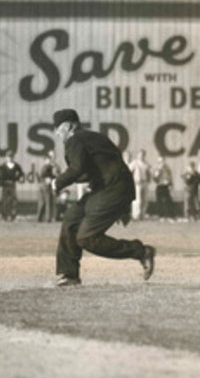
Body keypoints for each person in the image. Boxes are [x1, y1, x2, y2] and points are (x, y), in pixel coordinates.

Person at [51, 109, 156, 286]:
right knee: (71, 220)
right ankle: (69, 275)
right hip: (110, 187)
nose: (56, 133)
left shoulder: (74, 139)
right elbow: (101, 166)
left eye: (58, 128)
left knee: (86, 238)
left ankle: (141, 251)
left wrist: (57, 183)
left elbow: (76, 169)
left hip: (112, 189)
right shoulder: (94, 137)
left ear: (68, 126)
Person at [0, 151, 24, 221]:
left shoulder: (16, 165)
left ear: (13, 157)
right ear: (6, 158)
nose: (9, 158)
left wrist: (16, 178)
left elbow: (21, 173)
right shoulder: (3, 166)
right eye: (8, 157)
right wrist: (1, 183)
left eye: (11, 157)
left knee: (13, 200)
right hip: (5, 184)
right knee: (5, 200)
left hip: (12, 184)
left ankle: (13, 215)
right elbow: (0, 175)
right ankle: (5, 215)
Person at [128, 149, 151, 220]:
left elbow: (149, 173)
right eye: (140, 154)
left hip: (145, 182)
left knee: (145, 199)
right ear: (138, 155)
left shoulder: (146, 164)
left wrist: (148, 180)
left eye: (143, 154)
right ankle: (136, 215)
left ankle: (142, 215)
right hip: (137, 182)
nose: (141, 156)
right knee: (138, 200)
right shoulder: (134, 163)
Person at [36, 153, 58, 222]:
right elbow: (49, 175)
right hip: (45, 185)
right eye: (48, 160)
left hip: (42, 185)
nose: (49, 161)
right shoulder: (48, 167)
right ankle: (48, 218)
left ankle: (39, 218)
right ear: (45, 160)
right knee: (48, 202)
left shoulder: (44, 167)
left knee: (42, 202)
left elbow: (40, 176)